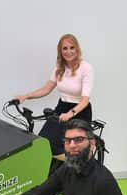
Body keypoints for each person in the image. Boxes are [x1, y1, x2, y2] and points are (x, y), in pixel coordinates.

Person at [14, 34, 94, 174]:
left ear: (77, 49)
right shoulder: (60, 67)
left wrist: (71, 114)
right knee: (44, 142)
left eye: (71, 48)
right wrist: (25, 96)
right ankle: (58, 174)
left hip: (79, 111)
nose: (68, 51)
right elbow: (47, 88)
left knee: (66, 145)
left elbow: (85, 100)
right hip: (62, 108)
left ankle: (81, 165)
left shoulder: (86, 68)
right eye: (65, 48)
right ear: (60, 51)